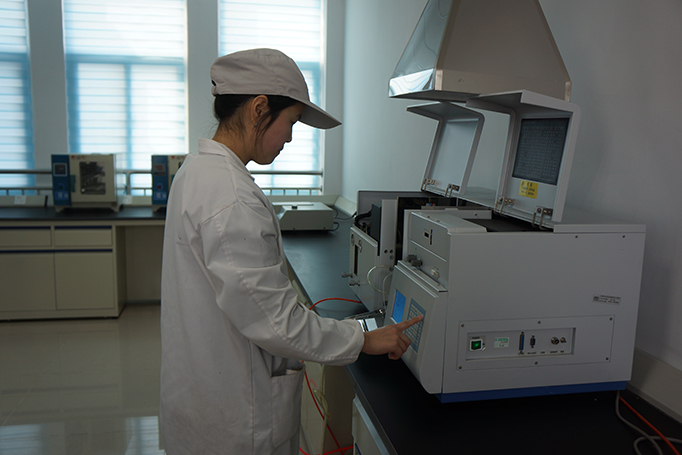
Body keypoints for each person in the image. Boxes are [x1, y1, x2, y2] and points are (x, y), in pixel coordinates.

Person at [159, 48, 421, 455]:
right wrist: (363, 338)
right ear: (258, 109)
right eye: (292, 122)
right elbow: (278, 324)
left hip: (204, 399)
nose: (290, 137)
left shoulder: (195, 171)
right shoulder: (231, 198)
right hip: (236, 423)